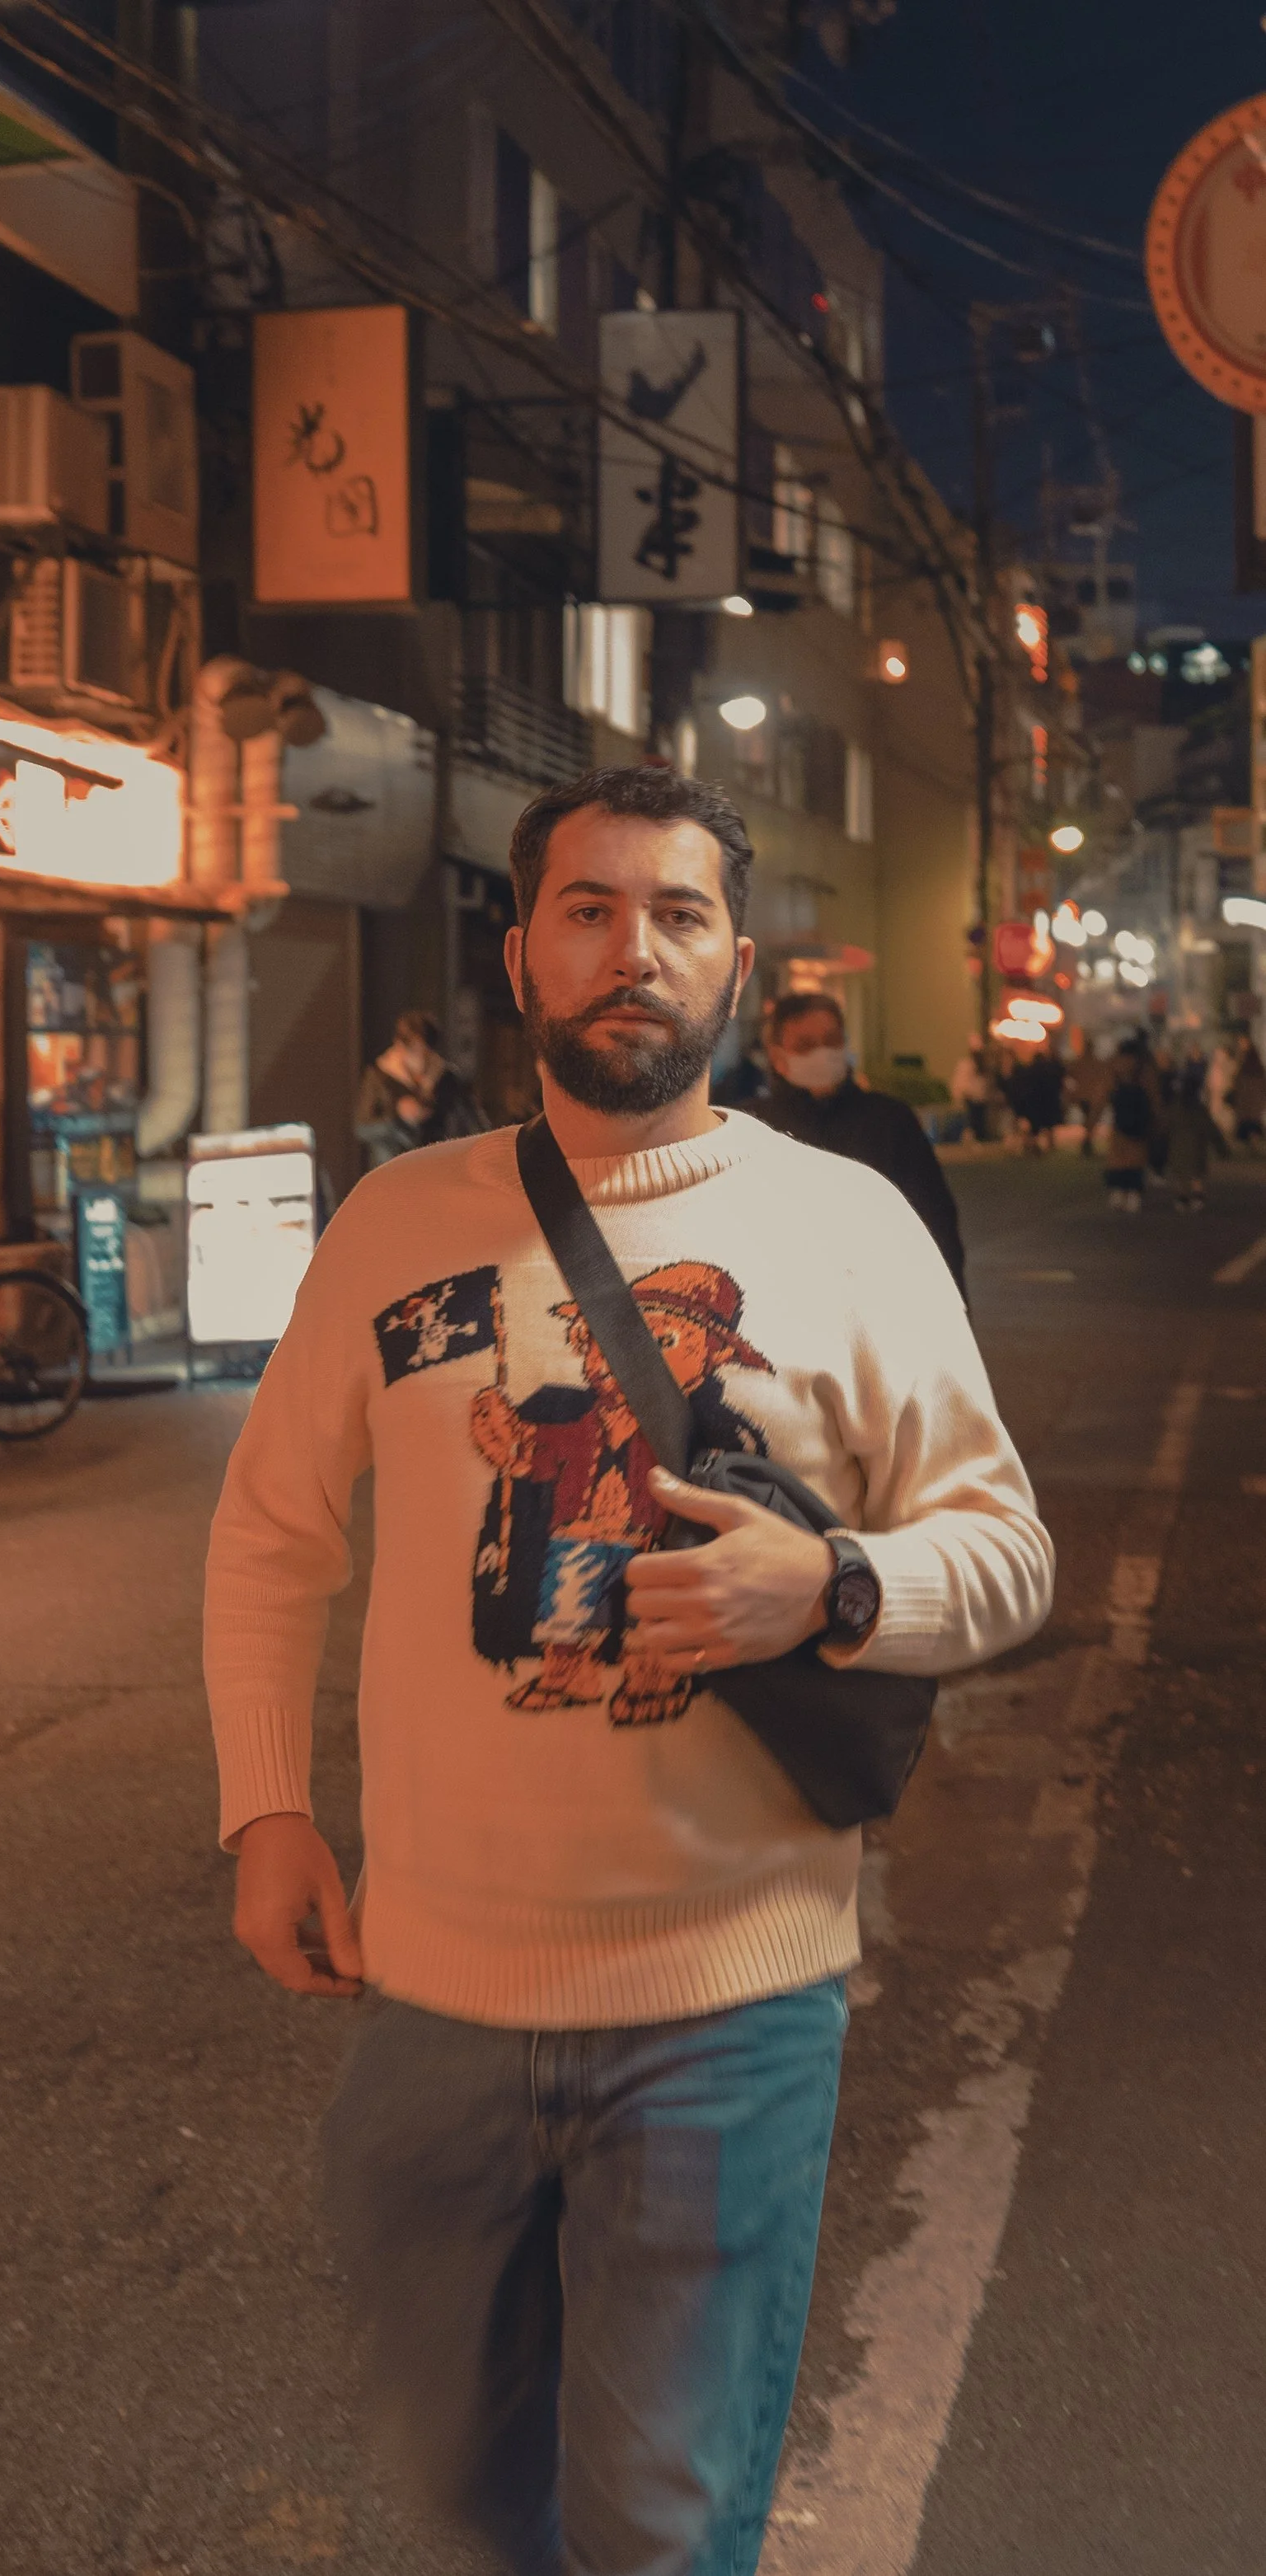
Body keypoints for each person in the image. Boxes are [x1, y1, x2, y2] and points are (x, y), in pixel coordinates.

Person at [204, 764, 1053, 2576]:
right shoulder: (393, 1221)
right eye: (586, 909)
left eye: (674, 914)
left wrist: (823, 1584)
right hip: (430, 1989)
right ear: (517, 955)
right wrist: (266, 1801)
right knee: (468, 2489)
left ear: (734, 962)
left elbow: (1002, 1551)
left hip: (726, 2001)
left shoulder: (846, 1224)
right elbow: (273, 1528)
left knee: (657, 2521)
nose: (630, 950)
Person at [743, 992, 968, 1299]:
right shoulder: (751, 1126)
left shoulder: (890, 1121)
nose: (822, 1052)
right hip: (782, 1305)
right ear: (777, 1057)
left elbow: (934, 1222)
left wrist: (950, 1309)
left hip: (878, 1300)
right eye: (805, 1045)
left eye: (832, 1040)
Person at [355, 1010, 486, 1167]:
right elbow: (362, 1127)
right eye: (415, 1052)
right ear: (400, 1046)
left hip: (436, 1169)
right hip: (392, 1170)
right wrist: (398, 1117)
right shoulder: (379, 1076)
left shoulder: (446, 1078)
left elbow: (475, 1124)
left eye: (426, 1053)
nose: (421, 1060)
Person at [1164, 1063, 1226, 1213]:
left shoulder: (1174, 1108)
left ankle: (1181, 1199)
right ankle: (1197, 1198)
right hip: (1197, 1148)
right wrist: (1221, 1147)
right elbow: (1211, 1129)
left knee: (1180, 1175)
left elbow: (1164, 1126)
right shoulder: (1199, 1110)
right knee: (1197, 1174)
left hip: (1177, 1148)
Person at [1100, 1045, 1156, 1213]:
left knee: (1118, 1160)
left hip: (1120, 1125)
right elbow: (1155, 1099)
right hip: (1140, 1127)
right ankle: (1133, 1195)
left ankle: (1118, 1192)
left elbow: (1102, 1096)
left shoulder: (1114, 1070)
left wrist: (1090, 1125)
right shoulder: (1145, 1071)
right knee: (1136, 1161)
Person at [948, 1041, 994, 1144]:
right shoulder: (966, 1065)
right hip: (971, 1100)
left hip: (981, 1100)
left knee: (980, 1124)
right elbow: (962, 1083)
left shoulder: (984, 1066)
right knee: (971, 1123)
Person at [1231, 1035, 1266, 1152]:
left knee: (1251, 1123)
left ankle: (1253, 1145)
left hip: (1251, 1098)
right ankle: (1251, 1146)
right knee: (1248, 1124)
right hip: (1247, 1099)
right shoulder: (1243, 1059)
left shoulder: (1251, 1061)